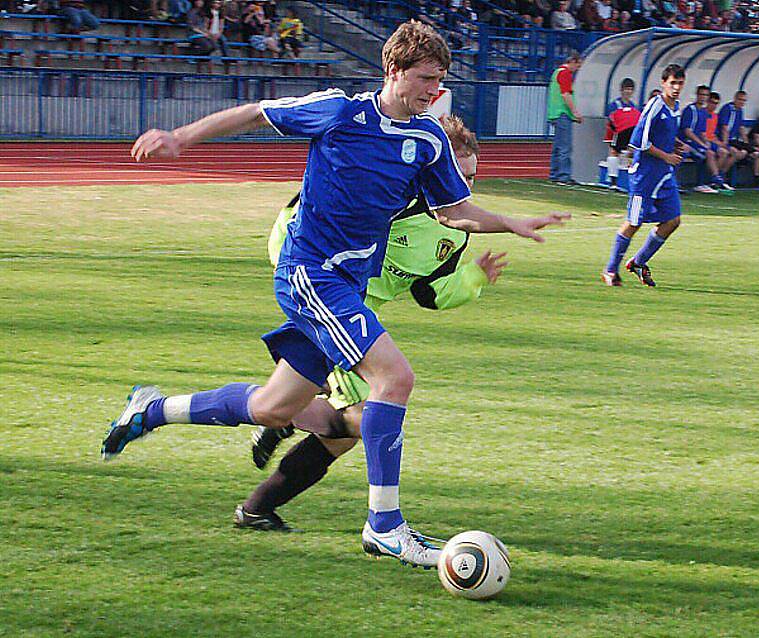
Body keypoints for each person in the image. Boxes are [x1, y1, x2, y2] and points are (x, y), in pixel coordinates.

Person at [103, 21, 569, 569]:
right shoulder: (340, 111)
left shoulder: (429, 139)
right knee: (394, 378)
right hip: (309, 273)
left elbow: (454, 212)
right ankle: (385, 526)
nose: (432, 91)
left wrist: (511, 222)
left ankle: (153, 410)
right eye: (425, 78)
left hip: (344, 284)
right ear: (393, 70)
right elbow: (257, 112)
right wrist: (180, 138)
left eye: (439, 81)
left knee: (273, 407)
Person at [240, 115, 509, 531]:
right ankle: (287, 424)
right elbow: (297, 220)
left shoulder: (454, 234)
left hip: (356, 320)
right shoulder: (380, 195)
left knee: (350, 428)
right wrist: (302, 278)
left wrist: (472, 277)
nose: (465, 189)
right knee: (363, 418)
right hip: (318, 296)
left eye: (473, 178)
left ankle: (262, 495)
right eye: (459, 176)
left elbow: (429, 293)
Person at [601, 64, 686, 288]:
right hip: (645, 176)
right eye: (672, 83)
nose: (676, 88)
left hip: (664, 176)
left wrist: (676, 144)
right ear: (663, 83)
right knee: (633, 222)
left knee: (673, 220)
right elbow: (638, 142)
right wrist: (666, 156)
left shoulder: (675, 107)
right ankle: (610, 269)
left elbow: (662, 134)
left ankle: (638, 262)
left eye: (680, 83)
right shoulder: (655, 106)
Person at [679, 84, 731, 193]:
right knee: (708, 153)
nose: (703, 97)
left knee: (723, 152)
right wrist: (702, 144)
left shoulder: (703, 112)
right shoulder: (690, 109)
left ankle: (714, 180)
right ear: (697, 95)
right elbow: (687, 131)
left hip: (698, 142)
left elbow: (702, 132)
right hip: (688, 142)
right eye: (701, 94)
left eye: (706, 95)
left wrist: (706, 142)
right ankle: (711, 180)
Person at [547, 51, 583, 185]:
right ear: (573, 61)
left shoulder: (557, 72)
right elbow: (566, 95)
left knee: (558, 146)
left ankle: (555, 174)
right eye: (578, 66)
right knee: (565, 146)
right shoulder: (565, 73)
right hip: (562, 113)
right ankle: (563, 176)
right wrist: (575, 112)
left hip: (554, 112)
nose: (577, 69)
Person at [604, 77, 641, 189]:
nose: (628, 92)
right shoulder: (615, 104)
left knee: (631, 153)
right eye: (626, 89)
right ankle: (613, 181)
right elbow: (609, 120)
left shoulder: (633, 106)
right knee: (614, 153)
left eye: (630, 89)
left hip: (630, 133)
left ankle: (631, 181)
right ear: (621, 90)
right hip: (617, 133)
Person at [716, 90, 752, 178]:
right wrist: (725, 143)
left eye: (744, 100)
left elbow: (741, 127)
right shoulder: (727, 108)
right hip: (722, 139)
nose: (742, 102)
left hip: (733, 140)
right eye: (740, 99)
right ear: (735, 99)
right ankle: (719, 176)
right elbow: (724, 128)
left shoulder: (740, 111)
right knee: (734, 152)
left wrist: (746, 142)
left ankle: (723, 174)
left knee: (744, 152)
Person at [703, 91, 732, 187]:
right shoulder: (702, 113)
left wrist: (721, 142)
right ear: (707, 101)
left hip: (712, 141)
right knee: (716, 152)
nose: (714, 105)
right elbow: (701, 133)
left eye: (716, 103)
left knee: (726, 152)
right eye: (712, 102)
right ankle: (716, 178)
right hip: (703, 141)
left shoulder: (715, 116)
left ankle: (716, 178)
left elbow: (714, 133)